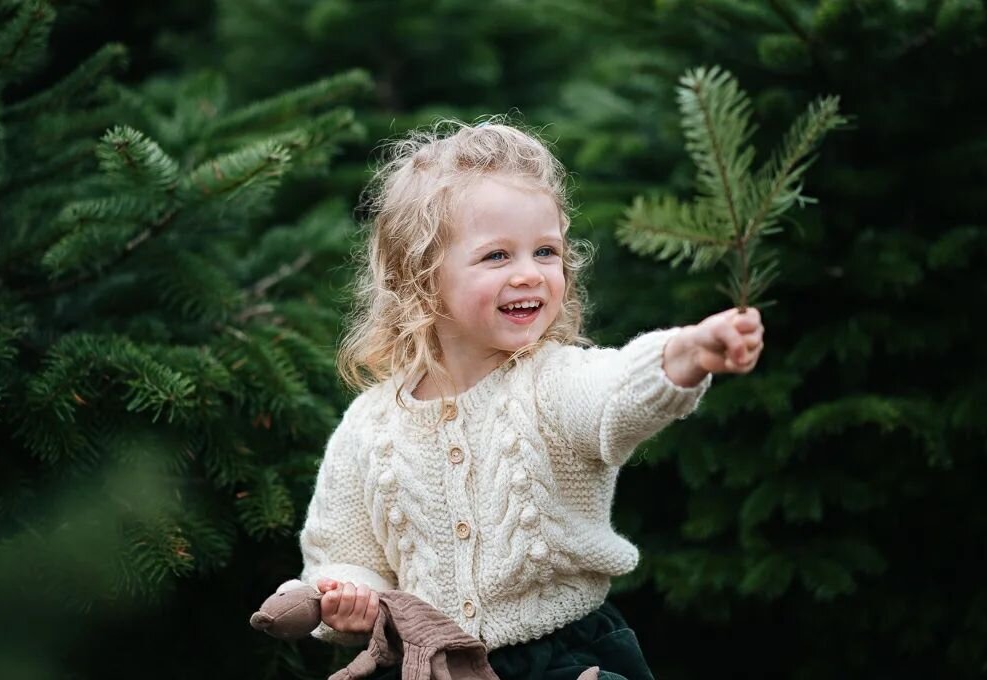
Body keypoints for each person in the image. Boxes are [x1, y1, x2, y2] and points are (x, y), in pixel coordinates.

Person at [298, 117, 764, 679]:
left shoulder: (552, 381)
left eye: (546, 252)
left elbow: (615, 394)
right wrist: (350, 596)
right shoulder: (368, 426)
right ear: (420, 276)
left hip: (563, 661)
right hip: (433, 667)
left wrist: (688, 353)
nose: (530, 275)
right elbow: (344, 553)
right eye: (497, 256)